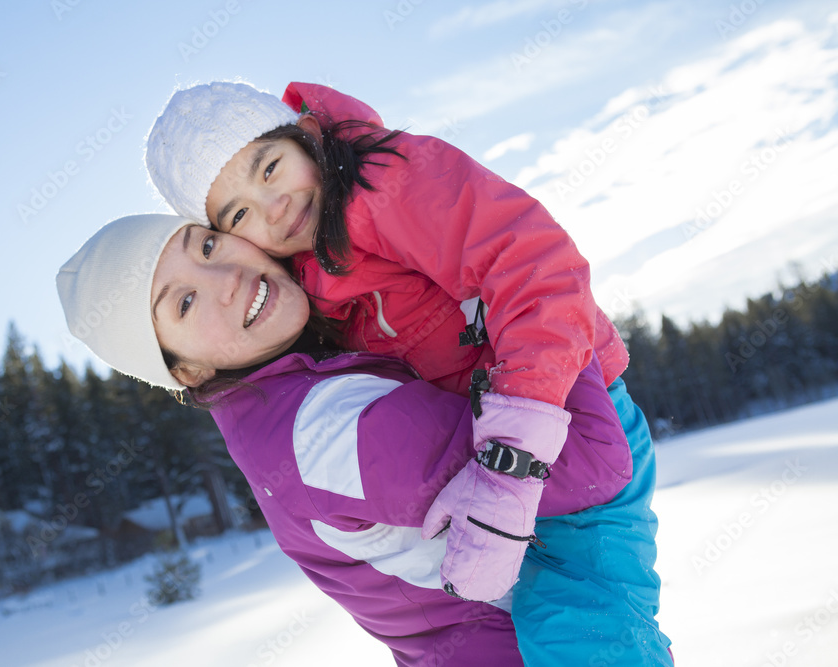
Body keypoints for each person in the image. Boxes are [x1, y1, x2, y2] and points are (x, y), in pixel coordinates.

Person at [144, 81, 673, 664]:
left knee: (584, 632)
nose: (275, 207)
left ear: (304, 136)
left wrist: (509, 463)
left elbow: (532, 265)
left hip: (564, 408)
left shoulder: (388, 184)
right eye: (240, 213)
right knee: (564, 622)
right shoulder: (310, 272)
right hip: (534, 446)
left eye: (270, 168)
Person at [56, 214, 638, 666]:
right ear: (184, 371)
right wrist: (535, 305)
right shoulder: (321, 432)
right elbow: (587, 463)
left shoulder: (299, 382)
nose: (225, 280)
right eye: (184, 302)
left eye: (205, 246)